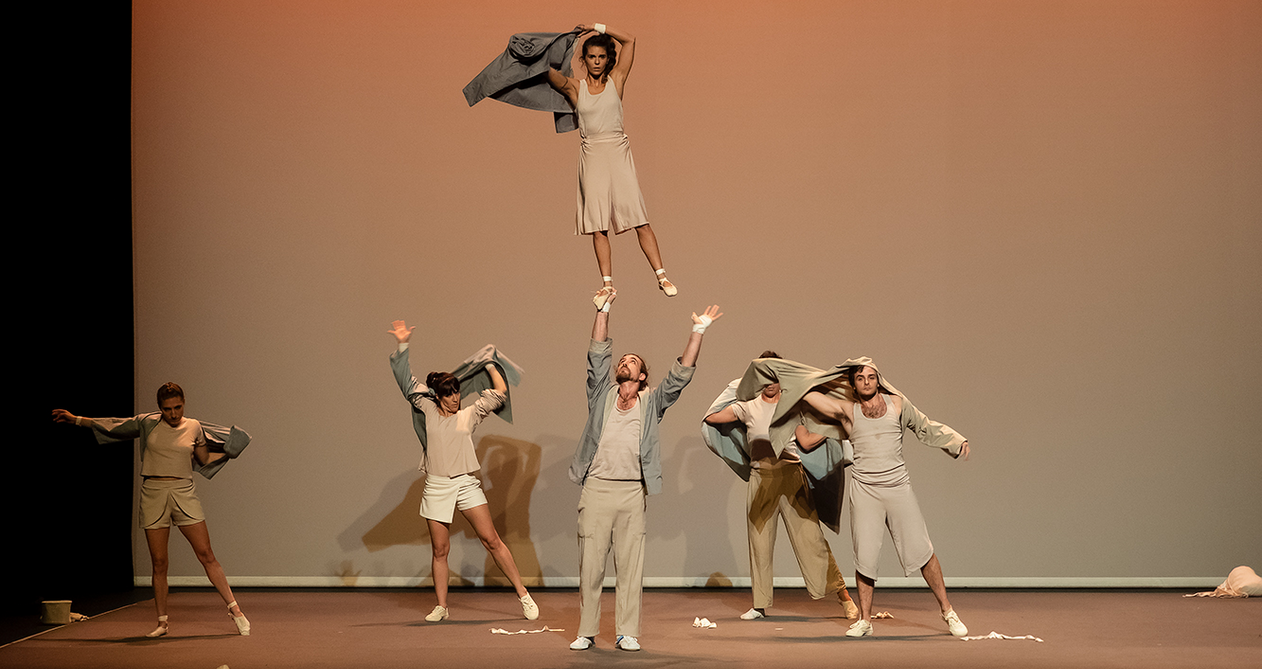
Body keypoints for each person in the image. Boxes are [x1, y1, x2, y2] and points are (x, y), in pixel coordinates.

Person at [567, 290, 721, 651]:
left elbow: (680, 377)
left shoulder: (652, 403)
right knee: (590, 567)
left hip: (632, 491)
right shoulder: (600, 396)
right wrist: (602, 310)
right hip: (597, 489)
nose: (624, 362)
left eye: (632, 360)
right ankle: (586, 631)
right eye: (623, 359)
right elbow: (596, 356)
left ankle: (627, 631)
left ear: (642, 374)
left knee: (630, 568)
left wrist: (697, 331)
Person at [51, 383, 250, 638]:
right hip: (153, 493)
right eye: (168, 409)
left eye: (178, 407)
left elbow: (203, 459)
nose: (174, 414)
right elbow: (113, 425)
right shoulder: (147, 423)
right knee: (159, 562)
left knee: (206, 554)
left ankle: (236, 612)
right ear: (160, 408)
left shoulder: (194, 426)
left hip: (184, 492)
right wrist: (76, 419)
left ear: (184, 403)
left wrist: (229, 452)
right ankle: (162, 622)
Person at [795, 360, 970, 638]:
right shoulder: (847, 411)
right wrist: (789, 376)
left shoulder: (897, 404)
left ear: (879, 380)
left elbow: (924, 426)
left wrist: (954, 441)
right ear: (853, 383)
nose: (867, 381)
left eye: (872, 376)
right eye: (861, 377)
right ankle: (865, 620)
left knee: (922, 551)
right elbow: (810, 397)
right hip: (865, 490)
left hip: (898, 487)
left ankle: (948, 612)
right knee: (864, 556)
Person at [386, 320, 538, 623]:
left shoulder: (469, 414)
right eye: (450, 393)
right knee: (440, 549)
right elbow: (406, 382)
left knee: (491, 540)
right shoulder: (427, 409)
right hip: (437, 485)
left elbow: (499, 393)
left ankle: (524, 595)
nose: (456, 397)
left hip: (466, 484)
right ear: (438, 396)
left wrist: (490, 364)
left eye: (457, 392)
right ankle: (442, 606)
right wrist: (403, 345)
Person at [703, 352, 859, 621]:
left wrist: (834, 428)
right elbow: (713, 417)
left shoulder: (791, 404)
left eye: (774, 375)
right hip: (760, 478)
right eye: (764, 376)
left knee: (811, 540)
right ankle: (760, 604)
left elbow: (806, 442)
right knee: (759, 542)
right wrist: (740, 385)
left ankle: (844, 597)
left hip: (790, 476)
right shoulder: (748, 405)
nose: (769, 382)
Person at [546, 23, 677, 308]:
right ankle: (607, 284)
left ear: (608, 59)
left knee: (638, 217)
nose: (596, 62)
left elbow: (630, 39)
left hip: (618, 151)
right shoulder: (575, 87)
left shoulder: (616, 80)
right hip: (592, 154)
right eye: (591, 57)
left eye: (601, 57)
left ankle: (661, 275)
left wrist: (596, 26)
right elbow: (546, 72)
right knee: (598, 224)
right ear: (584, 59)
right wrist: (558, 43)